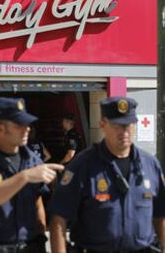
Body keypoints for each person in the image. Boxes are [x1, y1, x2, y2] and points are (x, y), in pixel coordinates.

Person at [50, 96, 165, 252]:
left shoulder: (150, 164)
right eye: (117, 125)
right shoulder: (83, 165)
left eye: (128, 125)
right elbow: (59, 218)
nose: (124, 131)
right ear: (102, 125)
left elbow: (160, 215)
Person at [0, 97, 64, 253]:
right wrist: (24, 177)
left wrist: (41, 240)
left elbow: (38, 206)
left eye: (27, 124)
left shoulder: (32, 160)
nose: (27, 129)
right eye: (19, 125)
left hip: (31, 247)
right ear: (0, 128)